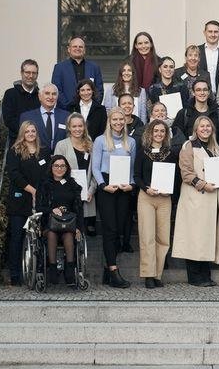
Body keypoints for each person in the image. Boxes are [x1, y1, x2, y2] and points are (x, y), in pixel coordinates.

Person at [172, 116, 219, 287]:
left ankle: (205, 275)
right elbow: (186, 173)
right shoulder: (188, 146)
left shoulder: (216, 149)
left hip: (211, 198)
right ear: (196, 129)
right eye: (202, 126)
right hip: (195, 197)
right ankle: (195, 277)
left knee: (206, 237)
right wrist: (202, 184)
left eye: (208, 126)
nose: (205, 129)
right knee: (194, 237)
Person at [91, 107, 137, 288]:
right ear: (109, 121)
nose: (118, 122)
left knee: (119, 229)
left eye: (121, 119)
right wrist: (103, 185)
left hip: (123, 188)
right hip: (107, 187)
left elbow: (132, 168)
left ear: (125, 121)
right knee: (109, 229)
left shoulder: (131, 142)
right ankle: (113, 270)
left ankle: (107, 269)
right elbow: (95, 167)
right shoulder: (100, 140)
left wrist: (131, 185)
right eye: (114, 119)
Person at [132, 119, 179, 289]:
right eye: (156, 131)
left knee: (163, 238)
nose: (159, 134)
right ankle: (148, 274)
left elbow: (176, 177)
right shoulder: (142, 152)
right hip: (147, 197)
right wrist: (146, 188)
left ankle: (158, 274)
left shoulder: (171, 153)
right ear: (150, 133)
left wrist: (170, 190)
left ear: (166, 134)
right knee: (147, 237)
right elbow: (136, 176)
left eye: (162, 131)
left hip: (165, 198)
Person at [4, 121, 52, 286]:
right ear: (22, 134)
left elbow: (48, 175)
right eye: (27, 131)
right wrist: (32, 190)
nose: (31, 134)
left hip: (40, 202)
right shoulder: (15, 151)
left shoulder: (44, 152)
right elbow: (14, 174)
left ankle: (39, 271)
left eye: (33, 131)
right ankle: (16, 275)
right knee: (17, 238)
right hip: (20, 201)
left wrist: (41, 193)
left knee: (39, 237)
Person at [34, 155, 84, 286]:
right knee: (51, 233)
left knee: (68, 234)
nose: (59, 169)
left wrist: (79, 227)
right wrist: (51, 210)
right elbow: (38, 207)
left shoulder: (73, 185)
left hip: (69, 225)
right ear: (51, 167)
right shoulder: (43, 184)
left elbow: (78, 208)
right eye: (56, 166)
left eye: (62, 166)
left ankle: (69, 269)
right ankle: (52, 268)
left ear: (67, 168)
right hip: (49, 225)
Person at [53, 114, 97, 234]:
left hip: (86, 194)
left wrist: (91, 190)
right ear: (69, 128)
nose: (77, 129)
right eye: (74, 126)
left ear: (84, 127)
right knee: (68, 228)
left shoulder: (90, 145)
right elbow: (56, 171)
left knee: (81, 229)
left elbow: (94, 170)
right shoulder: (61, 145)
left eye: (80, 126)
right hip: (67, 194)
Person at [51, 36, 105, 108]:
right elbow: (56, 89)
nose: (77, 48)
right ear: (69, 49)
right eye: (74, 46)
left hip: (90, 113)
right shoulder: (59, 68)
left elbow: (99, 90)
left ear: (84, 50)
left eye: (80, 47)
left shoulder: (94, 67)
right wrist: (68, 107)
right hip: (66, 112)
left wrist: (92, 107)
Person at [174, 80, 219, 150]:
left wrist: (218, 151)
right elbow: (178, 138)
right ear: (193, 93)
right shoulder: (183, 113)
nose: (202, 93)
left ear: (209, 92)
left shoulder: (217, 113)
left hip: (213, 156)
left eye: (205, 90)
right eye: (198, 90)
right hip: (191, 155)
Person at [20, 83, 70, 149]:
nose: (51, 97)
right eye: (47, 93)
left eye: (54, 94)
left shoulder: (66, 116)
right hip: (36, 157)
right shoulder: (27, 117)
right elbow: (23, 142)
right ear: (40, 96)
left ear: (57, 97)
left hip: (60, 157)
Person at [1, 59, 40, 142]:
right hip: (17, 141)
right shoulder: (10, 94)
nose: (30, 76)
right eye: (27, 72)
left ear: (37, 75)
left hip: (37, 142)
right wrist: (26, 133)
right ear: (22, 73)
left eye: (34, 73)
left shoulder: (41, 96)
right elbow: (9, 120)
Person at [103, 59, 149, 123]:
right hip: (117, 126)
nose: (126, 73)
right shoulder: (111, 90)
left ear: (133, 73)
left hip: (135, 126)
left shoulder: (141, 91)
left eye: (129, 70)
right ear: (120, 73)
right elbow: (107, 111)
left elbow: (143, 114)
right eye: (124, 70)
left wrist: (142, 129)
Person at [68, 79, 107, 143]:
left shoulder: (101, 109)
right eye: (82, 90)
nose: (86, 93)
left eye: (88, 90)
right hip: (74, 144)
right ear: (78, 92)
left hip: (94, 145)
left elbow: (102, 131)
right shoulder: (71, 107)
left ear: (93, 91)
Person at [198, 20, 219, 90]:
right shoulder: (197, 52)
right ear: (204, 33)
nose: (213, 35)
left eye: (216, 32)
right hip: (200, 95)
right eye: (210, 31)